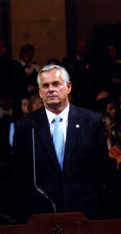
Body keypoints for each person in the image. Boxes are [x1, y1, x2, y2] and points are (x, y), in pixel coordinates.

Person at [13, 64, 109, 220]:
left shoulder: (91, 122)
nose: (51, 89)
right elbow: (20, 174)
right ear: (40, 92)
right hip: (42, 213)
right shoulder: (26, 126)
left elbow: (101, 169)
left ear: (68, 87)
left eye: (56, 84)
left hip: (84, 211)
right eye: (45, 86)